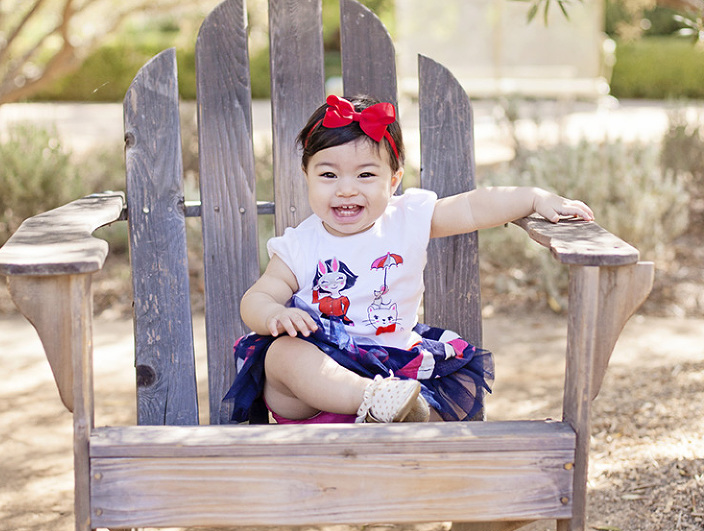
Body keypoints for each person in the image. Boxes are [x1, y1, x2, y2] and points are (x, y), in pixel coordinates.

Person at [224, 94, 593, 426]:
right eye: (328, 174)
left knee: (448, 379)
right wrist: (274, 316)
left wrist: (533, 198)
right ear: (306, 176)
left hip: (393, 366)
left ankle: (406, 419)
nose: (346, 188)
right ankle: (371, 401)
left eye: (366, 174)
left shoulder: (406, 219)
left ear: (394, 180)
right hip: (317, 386)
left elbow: (471, 206)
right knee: (282, 356)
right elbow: (256, 298)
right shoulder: (300, 245)